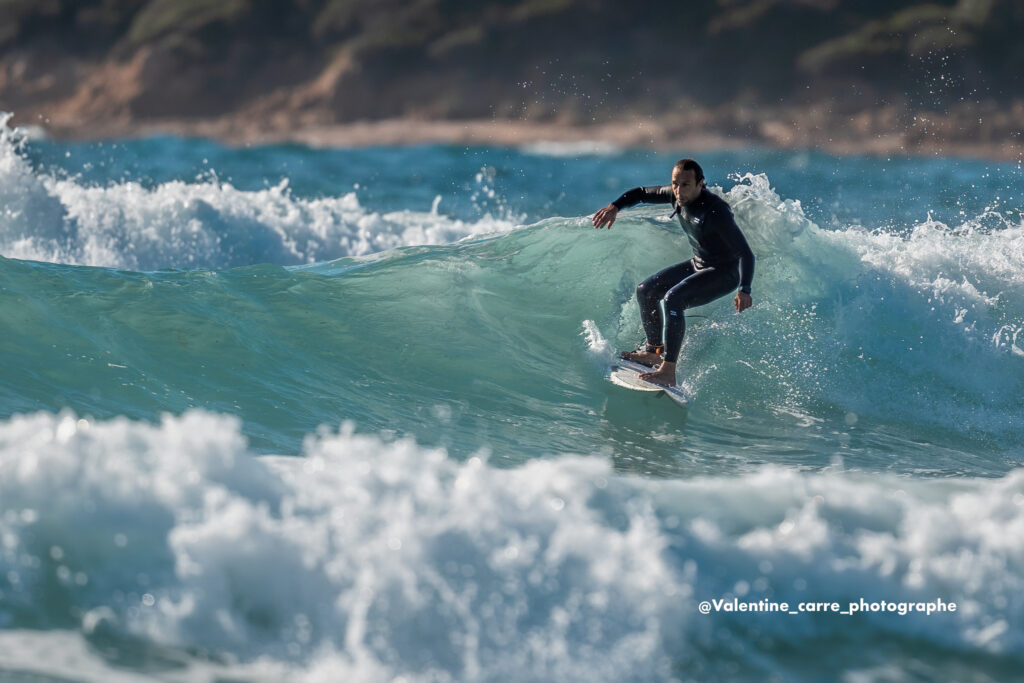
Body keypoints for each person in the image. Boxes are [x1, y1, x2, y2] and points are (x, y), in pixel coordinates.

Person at [592, 158, 754, 387]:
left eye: (685, 184)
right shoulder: (675, 195)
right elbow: (639, 193)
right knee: (646, 290)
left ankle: (668, 370)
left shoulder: (716, 211)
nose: (678, 190)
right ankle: (653, 351)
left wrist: (744, 289)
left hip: (724, 273)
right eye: (675, 184)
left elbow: (746, 254)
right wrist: (615, 206)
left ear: (701, 184)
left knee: (673, 299)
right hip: (700, 262)